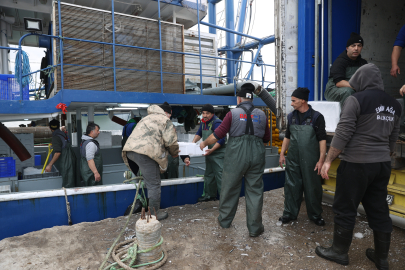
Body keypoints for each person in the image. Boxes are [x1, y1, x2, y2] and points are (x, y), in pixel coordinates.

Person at [316, 64, 401, 269]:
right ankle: (381, 259)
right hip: (381, 165)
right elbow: (393, 137)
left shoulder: (356, 100)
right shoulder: (395, 105)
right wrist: (384, 157)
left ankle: (339, 252)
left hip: (356, 164)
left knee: (345, 208)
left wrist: (327, 160)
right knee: (379, 209)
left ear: (361, 81)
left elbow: (343, 133)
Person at [199, 83, 270, 237]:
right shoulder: (263, 114)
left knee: (230, 187)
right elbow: (267, 138)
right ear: (252, 99)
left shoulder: (232, 113)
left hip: (237, 153)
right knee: (255, 190)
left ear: (239, 99)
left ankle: (224, 221)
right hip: (257, 152)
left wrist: (204, 143)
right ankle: (255, 228)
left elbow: (218, 135)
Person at [278, 87, 327, 226]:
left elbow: (322, 139)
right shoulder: (291, 117)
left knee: (313, 186)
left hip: (311, 159)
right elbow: (287, 136)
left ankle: (315, 215)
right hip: (293, 158)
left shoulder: (317, 117)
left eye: (294, 101)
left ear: (303, 100)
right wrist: (282, 154)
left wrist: (321, 160)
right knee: (291, 186)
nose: (291, 103)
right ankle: (289, 213)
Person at [122, 102, 179, 220]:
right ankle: (154, 213)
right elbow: (171, 142)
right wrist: (174, 153)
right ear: (168, 113)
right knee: (154, 184)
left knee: (148, 179)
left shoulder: (146, 118)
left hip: (130, 152)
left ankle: (144, 205)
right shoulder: (165, 120)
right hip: (145, 153)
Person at [192, 103, 226, 202]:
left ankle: (224, 199)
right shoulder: (203, 123)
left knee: (220, 176)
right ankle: (210, 195)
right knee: (209, 175)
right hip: (209, 154)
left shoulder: (217, 122)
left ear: (212, 114)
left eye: (207, 113)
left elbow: (221, 140)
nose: (205, 115)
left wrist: (212, 150)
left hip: (218, 154)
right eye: (203, 113)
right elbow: (199, 133)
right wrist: (192, 144)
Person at [325, 32, 367, 106]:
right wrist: (357, 87)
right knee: (348, 91)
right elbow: (339, 83)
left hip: (354, 88)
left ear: (362, 48)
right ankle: (346, 116)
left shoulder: (363, 63)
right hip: (333, 90)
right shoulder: (340, 61)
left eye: (359, 46)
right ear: (347, 48)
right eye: (353, 46)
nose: (356, 48)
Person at [45, 119, 77, 188]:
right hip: (71, 158)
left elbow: (57, 153)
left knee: (67, 182)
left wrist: (50, 165)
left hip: (65, 161)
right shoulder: (63, 133)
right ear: (59, 126)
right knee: (71, 179)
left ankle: (68, 197)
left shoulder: (56, 137)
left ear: (50, 128)